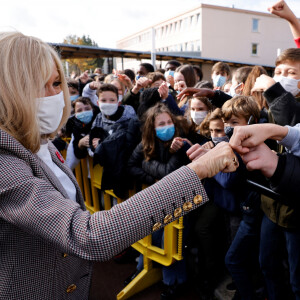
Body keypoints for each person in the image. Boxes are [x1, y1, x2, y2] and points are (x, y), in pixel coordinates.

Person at [0, 31, 239, 299]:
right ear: (10, 89)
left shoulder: (38, 144)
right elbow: (89, 236)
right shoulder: (5, 164)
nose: (55, 94)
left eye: (56, 83)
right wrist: (196, 172)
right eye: (38, 85)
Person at [230, 124, 300, 300]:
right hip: (270, 211)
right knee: (267, 265)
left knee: (297, 282)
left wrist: (278, 165)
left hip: (293, 218)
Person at [251, 48, 300, 127]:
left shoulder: (275, 98)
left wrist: (274, 92)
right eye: (278, 72)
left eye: (291, 72)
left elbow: (292, 125)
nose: (282, 77)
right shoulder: (267, 105)